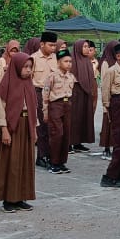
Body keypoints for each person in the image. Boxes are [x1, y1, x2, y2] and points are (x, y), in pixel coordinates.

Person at [0, 51, 37, 211]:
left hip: (26, 126)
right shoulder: (7, 84)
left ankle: (21, 197)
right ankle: (9, 199)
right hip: (12, 126)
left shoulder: (29, 84)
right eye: (25, 67)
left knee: (25, 162)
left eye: (30, 67)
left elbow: (33, 108)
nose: (28, 70)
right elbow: (0, 110)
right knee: (12, 163)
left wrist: (34, 128)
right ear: (17, 66)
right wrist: (4, 129)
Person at [100, 43, 120, 188]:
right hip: (117, 104)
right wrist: (107, 108)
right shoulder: (111, 71)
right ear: (118, 56)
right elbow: (105, 91)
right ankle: (109, 176)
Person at [42, 47, 76, 175]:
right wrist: (45, 111)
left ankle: (61, 162)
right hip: (55, 105)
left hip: (67, 105)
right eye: (65, 61)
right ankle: (53, 162)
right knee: (57, 134)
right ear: (58, 63)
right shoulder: (52, 76)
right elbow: (45, 95)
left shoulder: (71, 76)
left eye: (70, 61)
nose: (69, 64)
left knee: (66, 134)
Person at [31, 32, 59, 168]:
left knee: (53, 128)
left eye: (55, 45)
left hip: (55, 95)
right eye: (51, 45)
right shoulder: (34, 59)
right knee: (43, 127)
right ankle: (41, 157)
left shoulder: (57, 58)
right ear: (42, 44)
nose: (53, 48)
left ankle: (51, 155)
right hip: (39, 94)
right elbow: (28, 80)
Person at [69, 39, 98, 154]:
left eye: (88, 47)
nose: (87, 49)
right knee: (73, 119)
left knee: (82, 118)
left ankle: (78, 142)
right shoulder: (72, 60)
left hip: (85, 94)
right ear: (78, 47)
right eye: (84, 46)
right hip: (75, 94)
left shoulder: (87, 61)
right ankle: (69, 143)